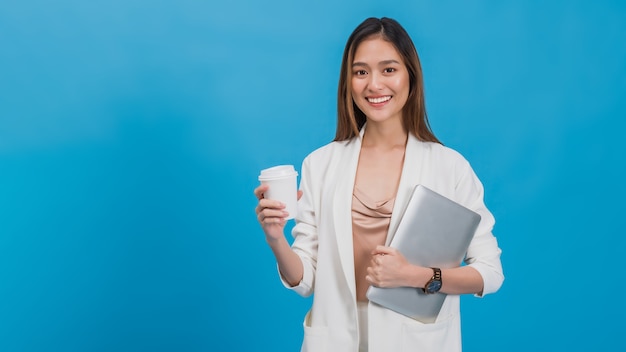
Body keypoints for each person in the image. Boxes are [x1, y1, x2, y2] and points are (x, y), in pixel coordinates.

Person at [254, 17, 503, 352]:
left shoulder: (449, 167)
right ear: (348, 81)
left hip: (417, 342)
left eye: (389, 69)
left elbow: (490, 273)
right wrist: (275, 238)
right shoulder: (320, 164)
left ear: (410, 76)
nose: (374, 85)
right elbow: (305, 280)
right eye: (361, 72)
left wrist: (415, 276)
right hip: (337, 340)